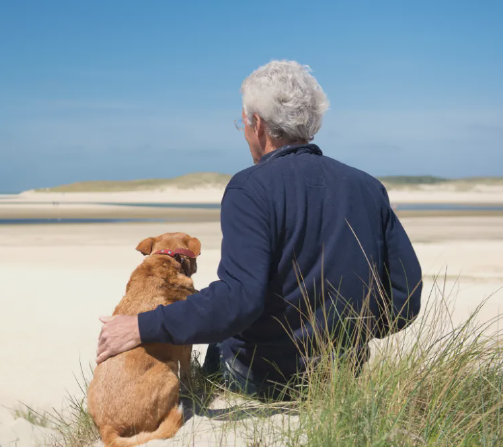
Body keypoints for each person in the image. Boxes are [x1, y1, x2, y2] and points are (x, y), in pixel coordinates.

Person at [96, 60, 422, 400]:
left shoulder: (249, 188)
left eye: (243, 122)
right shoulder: (367, 187)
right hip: (344, 374)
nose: (245, 131)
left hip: (260, 378)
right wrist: (348, 340)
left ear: (257, 124)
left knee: (220, 342)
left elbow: (238, 299)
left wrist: (141, 325)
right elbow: (405, 298)